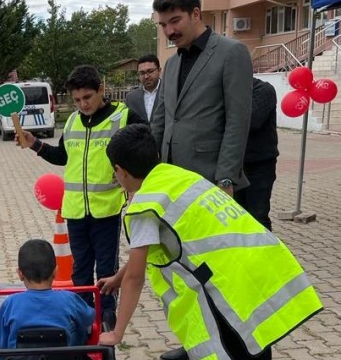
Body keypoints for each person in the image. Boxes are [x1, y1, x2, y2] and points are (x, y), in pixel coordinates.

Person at [96, 124, 323, 360]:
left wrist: (117, 333)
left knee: (239, 346)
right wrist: (118, 278)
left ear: (120, 170)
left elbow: (137, 276)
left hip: (225, 287)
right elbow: (146, 254)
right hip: (261, 266)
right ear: (156, 155)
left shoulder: (144, 207)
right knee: (255, 344)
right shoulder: (180, 176)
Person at [18, 65, 146, 326]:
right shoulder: (74, 120)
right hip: (75, 210)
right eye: (77, 100)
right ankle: (82, 313)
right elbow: (63, 156)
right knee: (81, 269)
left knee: (106, 267)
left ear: (101, 89)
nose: (82, 104)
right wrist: (35, 144)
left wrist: (131, 176)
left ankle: (107, 312)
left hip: (106, 210)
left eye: (87, 97)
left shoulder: (124, 117)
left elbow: (144, 149)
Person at [151, 0, 252, 199]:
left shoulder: (231, 52)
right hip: (170, 178)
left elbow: (237, 121)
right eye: (163, 25)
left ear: (196, 14)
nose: (169, 31)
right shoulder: (171, 63)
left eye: (175, 21)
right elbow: (160, 120)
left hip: (210, 178)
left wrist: (226, 178)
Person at [0, 239, 95, 349]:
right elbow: (89, 318)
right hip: (66, 356)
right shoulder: (69, 299)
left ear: (20, 274)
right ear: (55, 272)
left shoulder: (10, 303)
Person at [234, 78, 278, 231]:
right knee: (238, 215)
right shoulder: (229, 92)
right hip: (235, 164)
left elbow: (251, 121)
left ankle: (267, 253)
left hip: (259, 165)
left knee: (258, 216)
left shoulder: (263, 90)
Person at [125, 54, 162, 122]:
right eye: (142, 73)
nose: (146, 76)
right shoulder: (131, 98)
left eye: (150, 71)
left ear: (159, 70)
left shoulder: (170, 92)